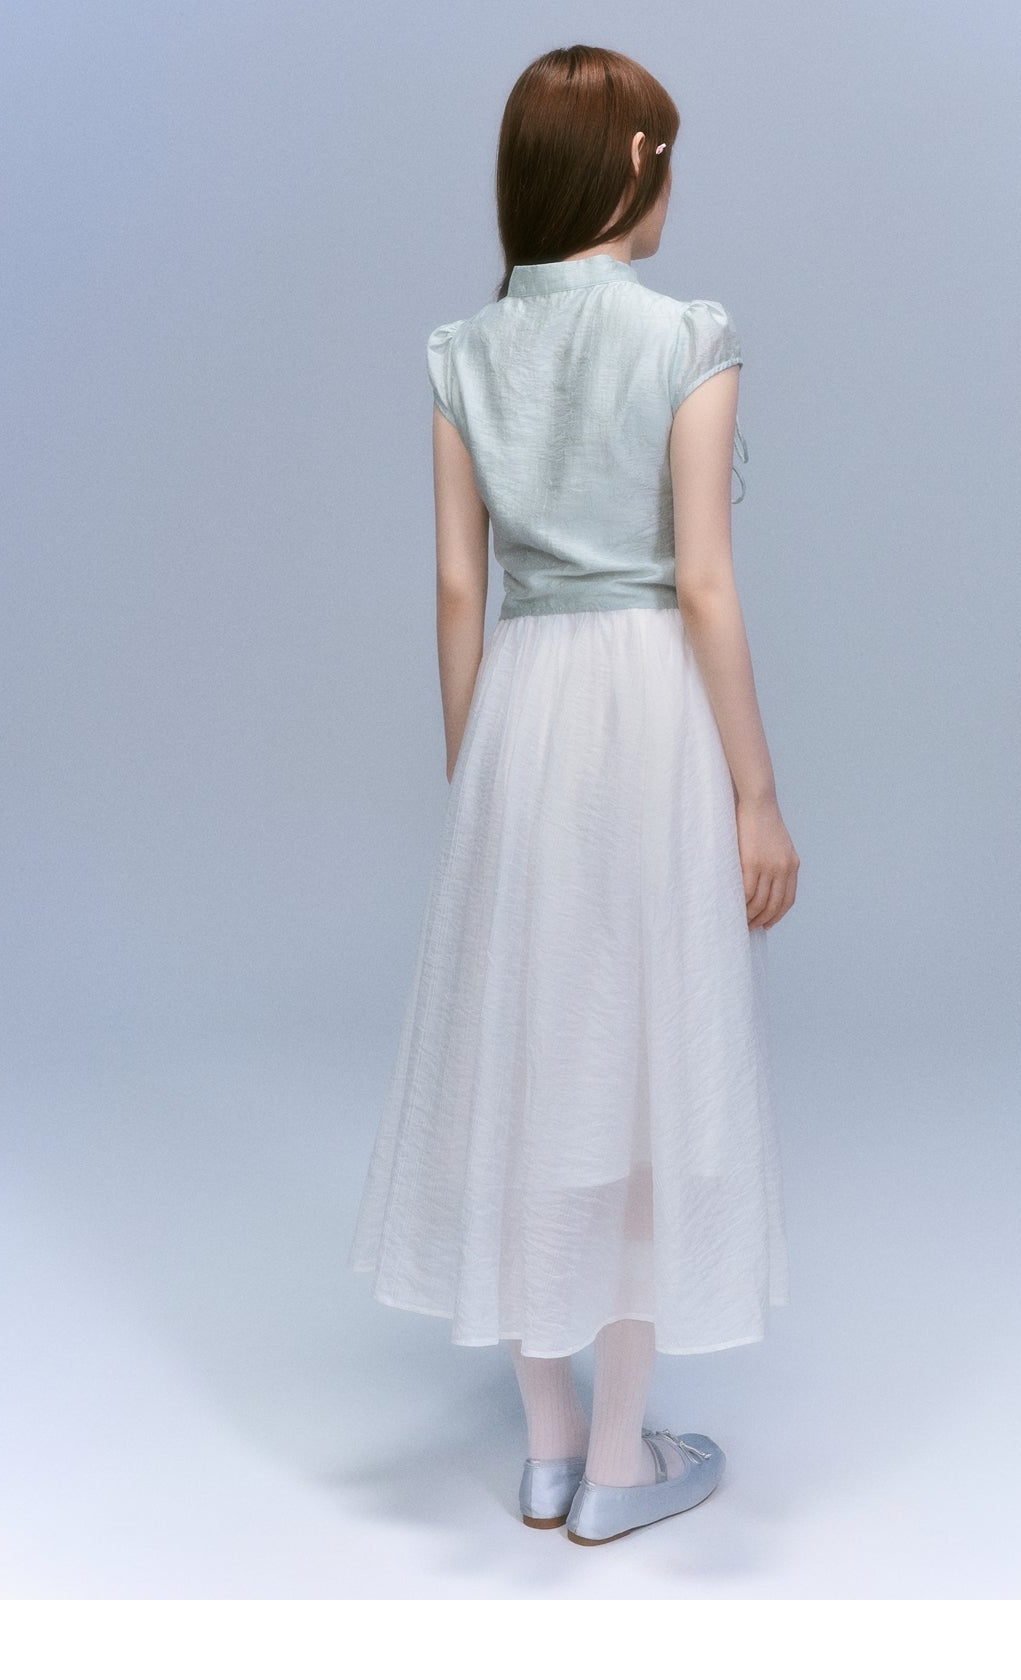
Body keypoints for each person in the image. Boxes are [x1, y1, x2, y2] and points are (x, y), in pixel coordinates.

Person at [348, 44, 800, 1546]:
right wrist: (756, 796)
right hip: (650, 711)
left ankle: (547, 1451)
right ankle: (620, 1461)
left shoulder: (461, 353)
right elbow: (706, 584)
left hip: (526, 711)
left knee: (533, 1059)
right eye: (668, 158)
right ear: (632, 167)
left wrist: (479, 767)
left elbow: (456, 587)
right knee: (646, 1065)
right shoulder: (689, 335)